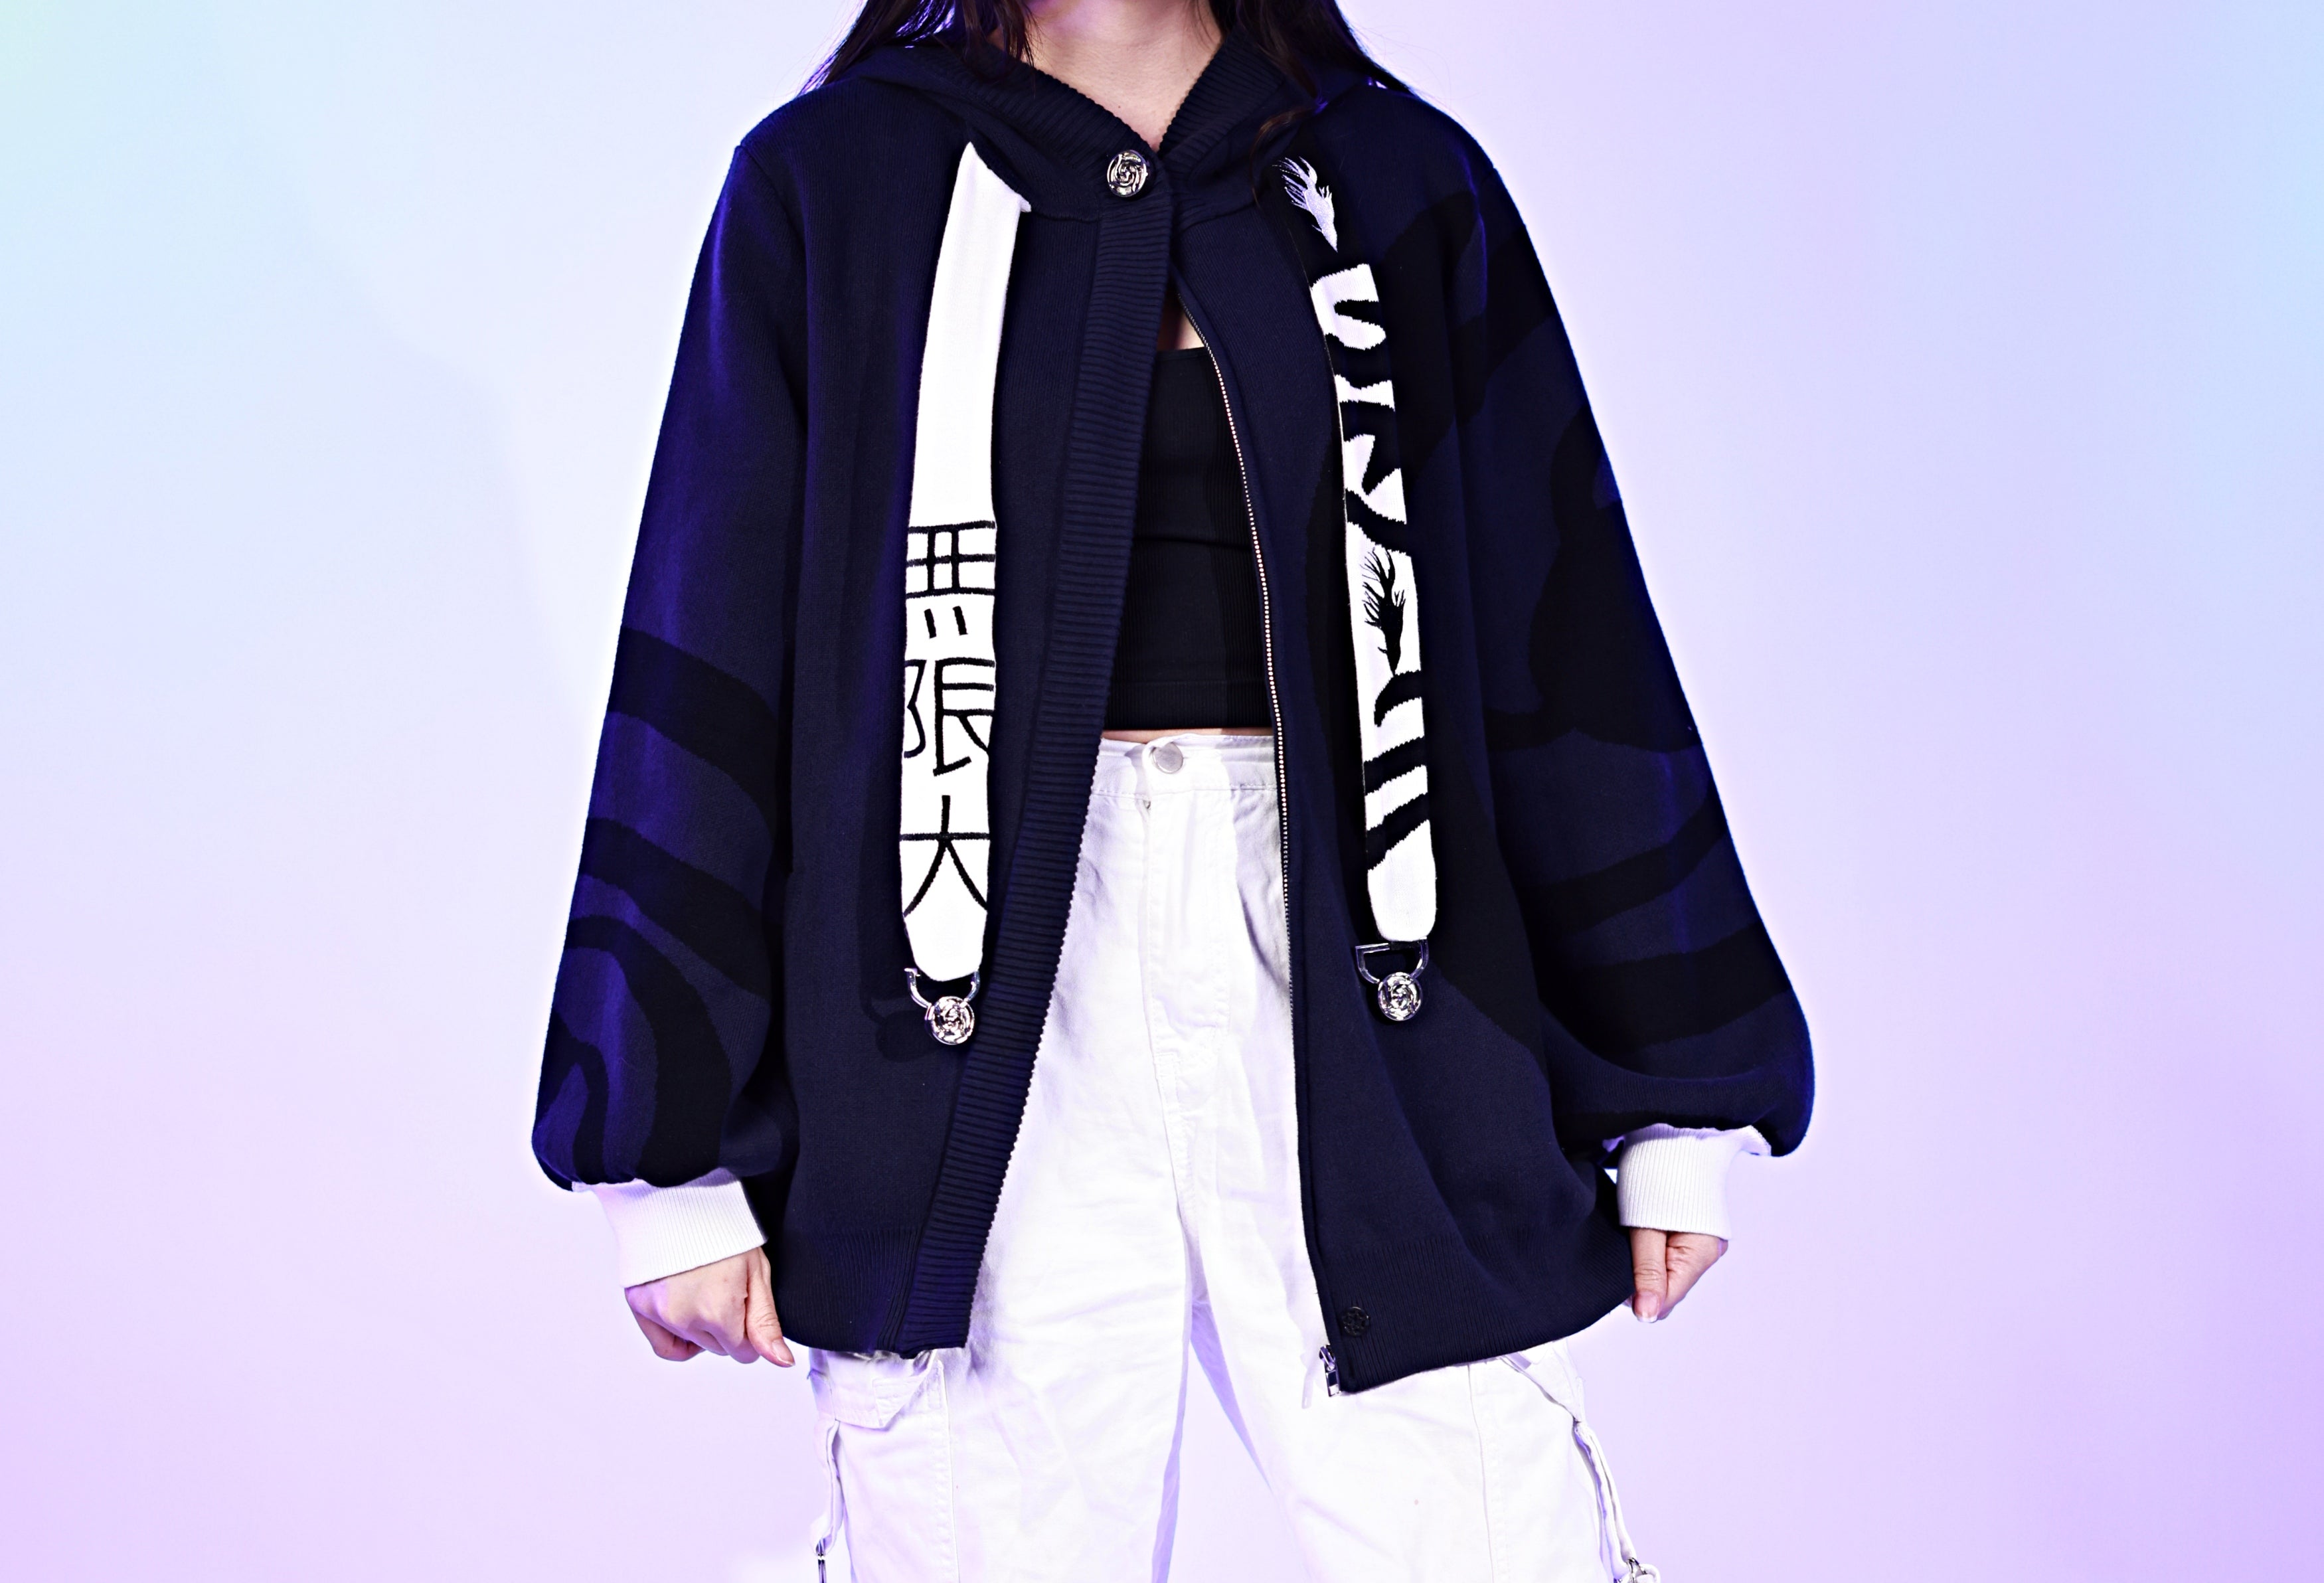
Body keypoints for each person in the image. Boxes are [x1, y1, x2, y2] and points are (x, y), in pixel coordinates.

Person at [533, 0, 1813, 1576]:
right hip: (955, 1009)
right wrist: (663, 1158)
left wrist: (1678, 1095)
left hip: (1377, 985)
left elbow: (1566, 635)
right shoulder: (833, 180)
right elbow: (712, 637)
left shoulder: (1395, 174)